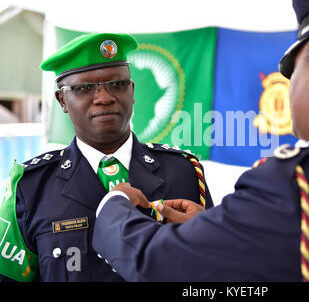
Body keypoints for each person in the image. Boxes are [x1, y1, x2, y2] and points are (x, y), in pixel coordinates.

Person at [92, 0, 309, 281]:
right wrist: (216, 229)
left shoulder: (293, 180)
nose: (288, 88)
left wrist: (115, 205)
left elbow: (157, 265)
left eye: (292, 72)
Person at [0, 33, 213, 282]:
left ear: (132, 92)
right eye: (84, 88)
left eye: (117, 84)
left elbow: (217, 268)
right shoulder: (30, 187)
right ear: (62, 100)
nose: (104, 98)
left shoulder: (183, 171)